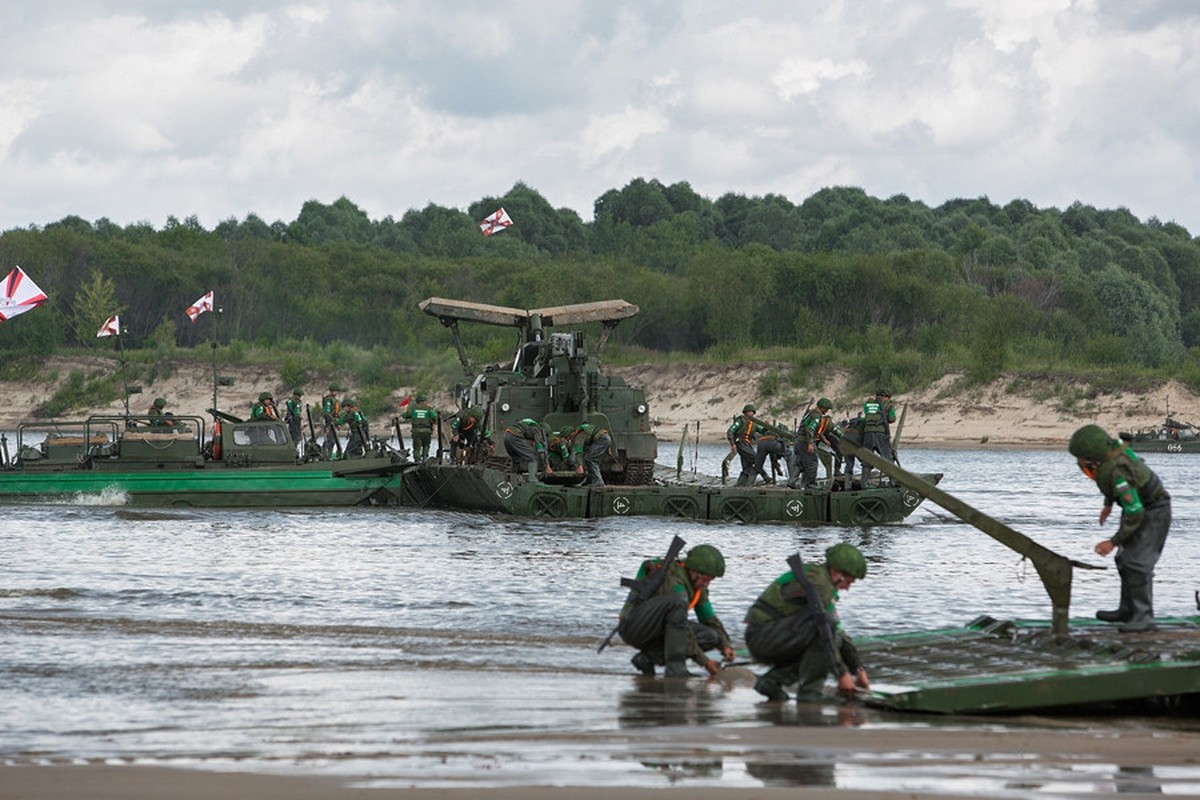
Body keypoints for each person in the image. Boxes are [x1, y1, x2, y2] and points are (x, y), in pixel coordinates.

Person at [1069, 424, 1171, 633]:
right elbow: (1114, 488)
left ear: (1090, 458)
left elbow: (1135, 511)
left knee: (1137, 563)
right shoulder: (1110, 457)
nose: (1078, 463)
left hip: (1153, 510)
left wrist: (1113, 542)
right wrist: (1108, 505)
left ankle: (1144, 618)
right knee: (1123, 559)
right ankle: (1127, 610)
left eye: (1079, 458)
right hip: (1141, 506)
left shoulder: (1117, 471)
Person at [744, 543, 870, 702]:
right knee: (826, 633)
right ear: (837, 574)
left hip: (771, 636)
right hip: (764, 637)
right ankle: (810, 693)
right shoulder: (820, 584)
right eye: (849, 582)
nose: (847, 589)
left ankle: (771, 682)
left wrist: (857, 668)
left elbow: (838, 631)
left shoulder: (820, 580)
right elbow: (827, 631)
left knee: (830, 636)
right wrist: (842, 675)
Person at [618, 544, 736, 678]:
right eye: (705, 579)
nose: (706, 584)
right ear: (694, 571)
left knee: (710, 636)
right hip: (634, 627)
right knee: (679, 605)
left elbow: (709, 619)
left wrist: (725, 645)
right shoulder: (675, 584)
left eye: (710, 581)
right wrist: (705, 662)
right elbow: (683, 631)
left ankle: (647, 659)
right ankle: (676, 669)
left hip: (656, 629)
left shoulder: (697, 586)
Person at [790, 398, 835, 489]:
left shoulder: (810, 413)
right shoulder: (816, 416)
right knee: (812, 463)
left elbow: (815, 430)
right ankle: (810, 484)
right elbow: (810, 429)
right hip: (805, 442)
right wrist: (810, 443)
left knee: (799, 463)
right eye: (826, 409)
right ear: (822, 407)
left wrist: (823, 439)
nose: (826, 411)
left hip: (799, 441)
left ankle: (792, 482)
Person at [859, 389, 896, 486]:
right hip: (881, 434)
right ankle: (893, 481)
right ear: (886, 396)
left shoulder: (868, 403)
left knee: (867, 458)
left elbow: (868, 413)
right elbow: (892, 419)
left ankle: (864, 483)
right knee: (887, 458)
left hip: (867, 433)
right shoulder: (889, 404)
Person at [727, 404, 763, 487]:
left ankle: (742, 483)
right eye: (748, 412)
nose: (750, 414)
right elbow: (730, 431)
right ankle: (766, 477)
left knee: (747, 465)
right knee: (756, 459)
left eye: (752, 412)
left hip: (748, 444)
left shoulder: (754, 423)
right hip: (741, 443)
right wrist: (732, 444)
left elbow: (762, 430)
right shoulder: (740, 421)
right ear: (745, 413)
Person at [568, 420, 612, 487]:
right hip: (605, 438)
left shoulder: (579, 435)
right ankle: (590, 480)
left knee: (590, 459)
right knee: (588, 458)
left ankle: (598, 481)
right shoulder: (585, 431)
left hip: (601, 439)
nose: (570, 440)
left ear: (572, 434)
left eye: (569, 437)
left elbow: (579, 451)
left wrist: (580, 465)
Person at [402, 393, 438, 461]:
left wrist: (403, 412)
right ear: (425, 401)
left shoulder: (413, 408)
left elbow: (406, 415)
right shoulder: (429, 408)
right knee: (426, 445)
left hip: (416, 431)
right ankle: (424, 458)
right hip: (426, 431)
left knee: (417, 447)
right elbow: (435, 417)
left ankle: (417, 460)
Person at [320, 384, 341, 459]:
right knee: (330, 440)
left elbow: (337, 413)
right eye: (334, 391)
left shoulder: (335, 400)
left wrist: (338, 423)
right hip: (330, 422)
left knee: (332, 440)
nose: (335, 392)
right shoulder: (329, 399)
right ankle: (326, 456)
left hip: (334, 422)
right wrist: (329, 424)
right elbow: (327, 412)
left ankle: (328, 455)